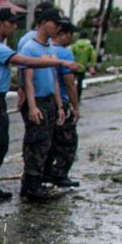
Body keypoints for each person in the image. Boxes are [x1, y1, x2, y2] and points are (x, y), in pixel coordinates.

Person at [0, 8, 64, 203]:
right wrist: (60, 62)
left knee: (0, 146)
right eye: (11, 23)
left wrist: (15, 88)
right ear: (1, 23)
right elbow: (25, 61)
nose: (14, 27)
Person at [17, 7, 66, 202]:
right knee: (35, 145)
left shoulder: (51, 48)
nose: (57, 29)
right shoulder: (29, 48)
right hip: (36, 101)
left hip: (48, 101)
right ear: (45, 23)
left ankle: (34, 184)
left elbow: (54, 78)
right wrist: (32, 106)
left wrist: (59, 105)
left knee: (45, 144)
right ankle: (30, 186)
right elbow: (27, 79)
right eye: (55, 24)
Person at [44, 20, 82, 188]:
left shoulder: (46, 49)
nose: (71, 39)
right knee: (68, 141)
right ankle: (59, 173)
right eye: (70, 35)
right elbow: (69, 83)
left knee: (49, 140)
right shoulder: (65, 54)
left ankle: (44, 173)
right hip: (62, 102)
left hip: (46, 101)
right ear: (63, 34)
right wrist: (76, 107)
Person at [70, 32, 97, 98]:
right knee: (80, 82)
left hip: (73, 66)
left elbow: (70, 55)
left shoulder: (75, 45)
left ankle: (71, 97)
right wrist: (92, 66)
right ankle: (78, 98)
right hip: (82, 67)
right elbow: (93, 57)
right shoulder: (89, 46)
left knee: (71, 83)